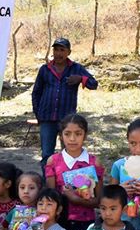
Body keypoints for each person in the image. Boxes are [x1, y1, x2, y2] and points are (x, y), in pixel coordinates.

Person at [31, 37, 98, 167]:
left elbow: (93, 84)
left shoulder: (76, 68)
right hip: (47, 118)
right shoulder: (45, 69)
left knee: (68, 154)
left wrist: (80, 78)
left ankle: (65, 185)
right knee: (46, 155)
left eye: (62, 50)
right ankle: (48, 185)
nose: (58, 53)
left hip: (67, 121)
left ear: (69, 52)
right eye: (56, 50)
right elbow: (36, 92)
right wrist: (38, 114)